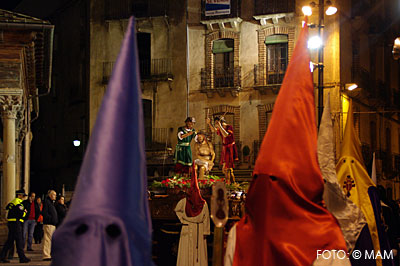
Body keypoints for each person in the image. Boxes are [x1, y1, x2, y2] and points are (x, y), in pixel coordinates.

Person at [174, 165, 210, 266]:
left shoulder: (185, 201)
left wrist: (183, 220)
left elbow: (177, 210)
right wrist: (206, 231)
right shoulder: (202, 203)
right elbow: (206, 219)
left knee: (192, 252)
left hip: (192, 229)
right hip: (196, 229)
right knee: (194, 252)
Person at [0, 189, 31, 263]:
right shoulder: (18, 203)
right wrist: (25, 213)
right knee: (19, 240)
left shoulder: (13, 202)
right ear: (19, 195)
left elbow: (8, 207)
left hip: (12, 223)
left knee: (10, 241)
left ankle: (2, 256)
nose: (23, 198)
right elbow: (21, 214)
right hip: (16, 223)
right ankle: (22, 258)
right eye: (23, 196)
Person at [206, 116, 238, 184]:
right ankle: (231, 182)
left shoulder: (229, 127)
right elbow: (213, 130)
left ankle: (229, 183)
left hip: (229, 149)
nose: (216, 125)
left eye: (216, 123)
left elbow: (226, 135)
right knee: (224, 169)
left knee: (227, 168)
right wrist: (209, 123)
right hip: (225, 149)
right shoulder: (220, 128)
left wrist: (220, 126)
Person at [42, 190, 58, 261]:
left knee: (50, 240)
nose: (55, 196)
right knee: (47, 240)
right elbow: (44, 213)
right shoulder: (47, 202)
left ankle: (48, 254)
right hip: (49, 224)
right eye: (54, 195)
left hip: (52, 224)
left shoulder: (51, 203)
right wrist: (51, 219)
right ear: (50, 195)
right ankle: (46, 255)